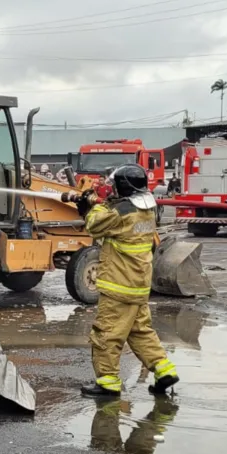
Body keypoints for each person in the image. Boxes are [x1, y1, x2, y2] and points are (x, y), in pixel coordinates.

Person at [75, 164, 179, 397]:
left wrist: (86, 208)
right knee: (140, 331)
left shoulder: (119, 213)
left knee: (106, 333)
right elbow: (115, 214)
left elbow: (95, 225)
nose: (111, 190)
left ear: (124, 187)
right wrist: (98, 203)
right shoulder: (146, 210)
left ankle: (108, 382)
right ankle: (164, 370)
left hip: (118, 286)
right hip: (138, 285)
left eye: (114, 186)